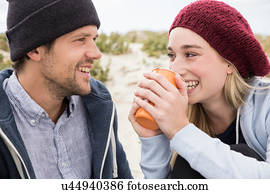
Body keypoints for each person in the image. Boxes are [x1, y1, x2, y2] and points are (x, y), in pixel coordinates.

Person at [129, 0, 270, 178]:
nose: (175, 69)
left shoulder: (266, 104)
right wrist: (153, 139)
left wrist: (182, 132)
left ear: (229, 63)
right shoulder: (178, 113)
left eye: (190, 54)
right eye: (172, 55)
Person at [0, 0, 132, 179]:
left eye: (94, 39)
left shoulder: (100, 107)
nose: (96, 53)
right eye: (80, 40)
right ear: (34, 50)